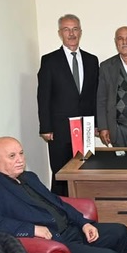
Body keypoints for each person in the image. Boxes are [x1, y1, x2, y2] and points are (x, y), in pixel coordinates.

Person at [38, 13, 99, 196]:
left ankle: (84, 206)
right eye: (66, 29)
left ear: (80, 32)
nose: (71, 33)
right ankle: (59, 208)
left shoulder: (92, 60)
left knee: (85, 169)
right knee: (61, 173)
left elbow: (95, 95)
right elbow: (43, 96)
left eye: (75, 29)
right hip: (59, 128)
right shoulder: (49, 61)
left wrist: (97, 124)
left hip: (86, 127)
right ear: (60, 33)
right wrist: (46, 127)